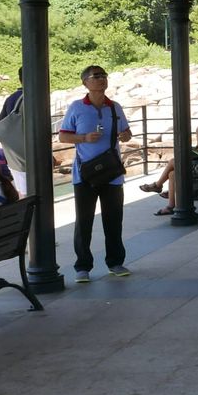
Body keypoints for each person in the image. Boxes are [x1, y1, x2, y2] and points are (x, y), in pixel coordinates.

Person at [59, 65, 133, 282]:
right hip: (85, 174)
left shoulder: (115, 107)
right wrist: (84, 138)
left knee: (114, 220)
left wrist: (125, 136)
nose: (102, 79)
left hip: (112, 173)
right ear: (85, 82)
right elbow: (63, 137)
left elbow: (126, 132)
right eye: (96, 76)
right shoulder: (76, 107)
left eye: (104, 75)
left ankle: (115, 262)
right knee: (84, 222)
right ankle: (82, 267)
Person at [0, 67, 25, 195]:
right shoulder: (33, 98)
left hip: (13, 155)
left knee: (22, 190)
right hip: (30, 153)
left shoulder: (11, 99)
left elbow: (0, 122)